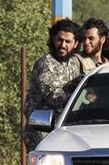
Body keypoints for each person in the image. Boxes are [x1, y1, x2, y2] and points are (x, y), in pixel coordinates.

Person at [23, 19, 84, 150]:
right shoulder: (46, 63)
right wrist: (80, 101)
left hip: (65, 132)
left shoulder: (74, 64)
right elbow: (54, 96)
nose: (63, 45)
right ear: (53, 39)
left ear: (76, 43)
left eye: (68, 41)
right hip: (43, 132)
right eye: (60, 40)